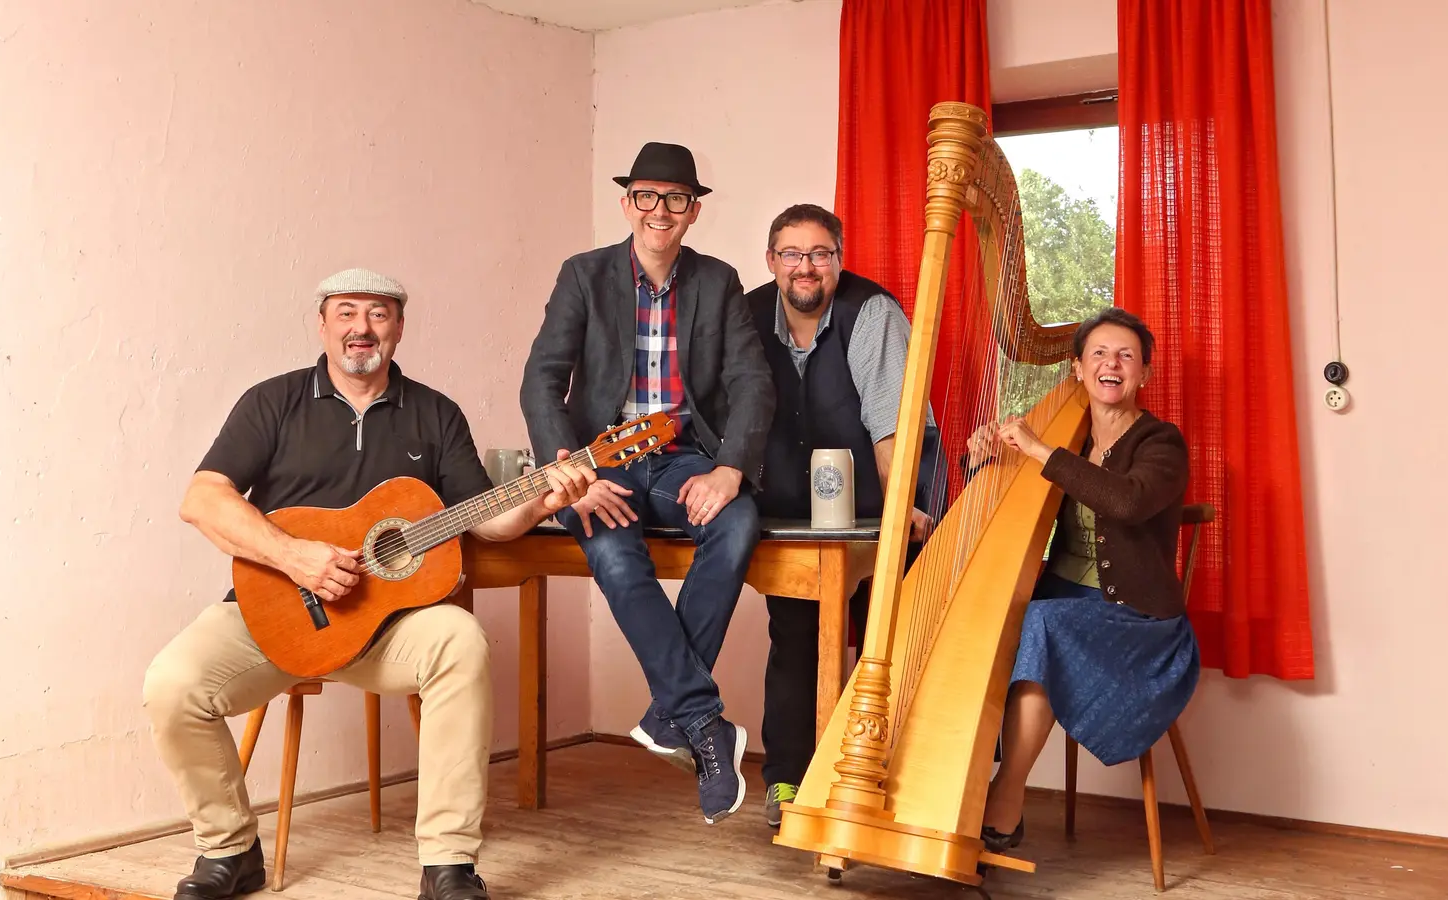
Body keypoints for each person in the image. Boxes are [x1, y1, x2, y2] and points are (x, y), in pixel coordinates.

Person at [144, 268, 595, 900]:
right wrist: (294, 556)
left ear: (400, 327)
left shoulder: (436, 414)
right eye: (348, 313)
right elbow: (203, 499)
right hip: (276, 612)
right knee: (172, 685)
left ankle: (448, 866)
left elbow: (483, 520)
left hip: (388, 629)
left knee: (460, 640)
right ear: (323, 323)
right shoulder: (272, 403)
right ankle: (229, 850)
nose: (363, 329)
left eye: (379, 314)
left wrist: (542, 501)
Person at [519, 142, 775, 824]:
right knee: (610, 549)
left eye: (676, 199)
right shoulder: (584, 275)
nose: (660, 211)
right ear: (627, 202)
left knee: (739, 520)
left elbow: (752, 380)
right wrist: (569, 467)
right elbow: (541, 378)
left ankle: (671, 716)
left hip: (680, 456)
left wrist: (728, 469)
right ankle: (702, 722)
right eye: (647, 196)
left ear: (693, 212)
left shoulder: (717, 282)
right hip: (597, 461)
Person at [966, 306, 1199, 856]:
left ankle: (1003, 796)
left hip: (1136, 621)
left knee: (1042, 624)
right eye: (1098, 353)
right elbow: (994, 504)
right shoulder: (1064, 435)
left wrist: (1039, 450)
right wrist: (985, 457)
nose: (1111, 364)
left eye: (1126, 355)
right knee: (989, 623)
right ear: (1076, 368)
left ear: (1144, 372)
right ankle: (952, 788)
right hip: (1065, 600)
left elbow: (1127, 501)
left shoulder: (1161, 442)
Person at [741, 204, 940, 827]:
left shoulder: (870, 313)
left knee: (888, 644)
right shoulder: (745, 317)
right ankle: (789, 784)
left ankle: (895, 787)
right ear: (772, 262)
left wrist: (902, 510)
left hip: (886, 501)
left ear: (838, 260)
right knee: (794, 639)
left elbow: (892, 432)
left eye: (821, 254)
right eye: (793, 255)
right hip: (792, 513)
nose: (807, 267)